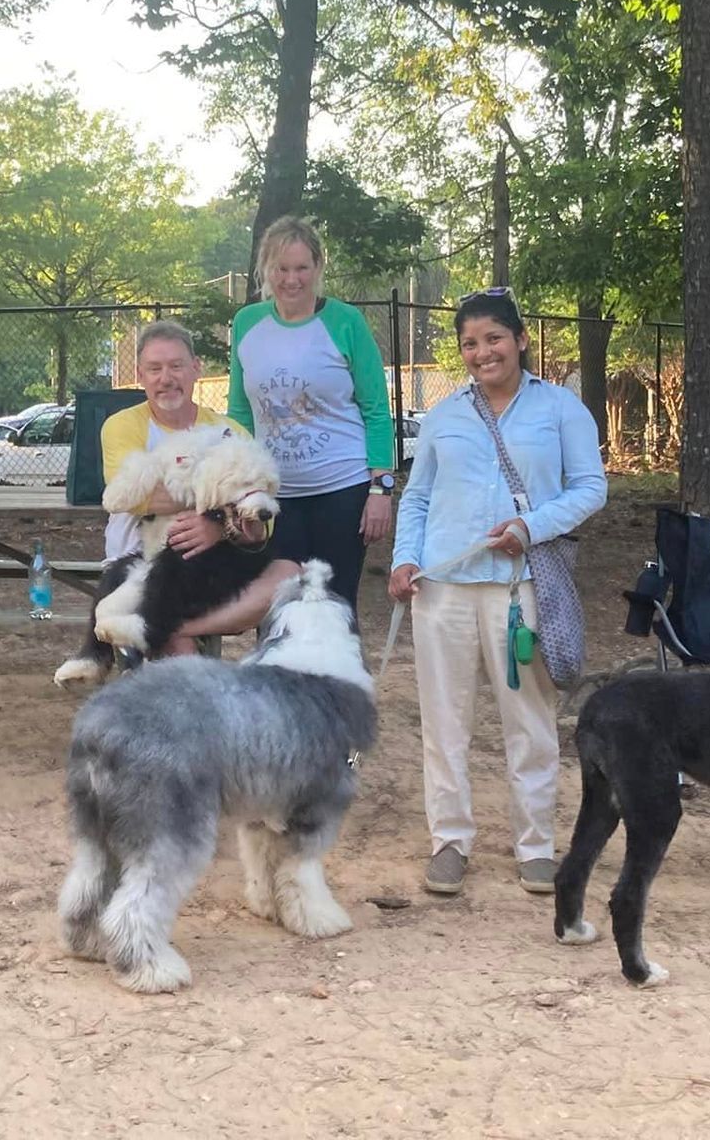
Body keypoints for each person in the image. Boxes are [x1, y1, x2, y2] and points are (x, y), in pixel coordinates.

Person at [389, 289, 606, 897]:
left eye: (493, 339)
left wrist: (529, 527)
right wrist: (406, 558)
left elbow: (591, 489)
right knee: (445, 722)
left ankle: (535, 845)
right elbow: (418, 494)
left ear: (520, 340)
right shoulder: (445, 415)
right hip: (443, 588)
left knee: (530, 722)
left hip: (521, 588)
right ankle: (450, 842)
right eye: (469, 343)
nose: (482, 352)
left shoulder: (562, 409)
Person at [228, 217, 396, 611]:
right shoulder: (247, 323)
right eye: (281, 269)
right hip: (273, 496)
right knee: (275, 608)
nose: (291, 279)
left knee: (334, 608)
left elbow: (376, 410)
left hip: (342, 490)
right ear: (265, 270)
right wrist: (238, 489)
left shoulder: (346, 322)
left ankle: (340, 675)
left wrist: (381, 490)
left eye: (302, 268)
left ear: (318, 268)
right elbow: (240, 413)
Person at [100, 320, 296, 653]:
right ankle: (167, 629)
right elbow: (140, 498)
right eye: (154, 368)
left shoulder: (227, 430)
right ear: (141, 374)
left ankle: (166, 627)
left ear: (196, 369)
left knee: (290, 574)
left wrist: (218, 529)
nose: (166, 378)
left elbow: (263, 522)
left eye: (176, 366)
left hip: (216, 566)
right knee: (184, 656)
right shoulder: (121, 426)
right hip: (141, 565)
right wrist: (221, 507)